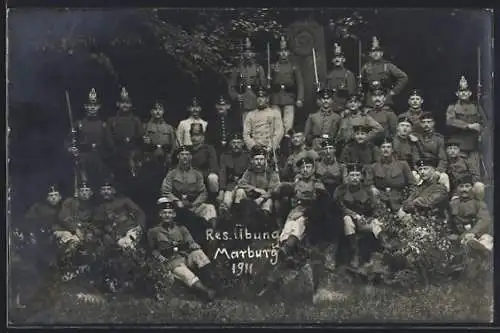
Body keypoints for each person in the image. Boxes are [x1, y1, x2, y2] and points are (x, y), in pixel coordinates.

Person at [148, 197, 218, 301]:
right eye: (164, 213)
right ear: (160, 215)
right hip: (171, 262)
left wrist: (194, 245)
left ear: (174, 215)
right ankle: (205, 292)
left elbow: (190, 241)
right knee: (185, 274)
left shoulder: (181, 228)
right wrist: (159, 257)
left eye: (170, 213)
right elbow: (152, 249)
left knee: (198, 253)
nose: (167, 215)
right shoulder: (153, 231)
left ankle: (213, 283)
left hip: (184, 257)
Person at [93, 180, 146, 292]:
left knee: (128, 247)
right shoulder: (98, 208)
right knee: (122, 249)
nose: (106, 192)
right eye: (104, 190)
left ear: (114, 190)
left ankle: (139, 280)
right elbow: (98, 225)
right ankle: (125, 281)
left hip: (131, 230)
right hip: (116, 236)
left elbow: (139, 213)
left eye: (109, 189)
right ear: (100, 192)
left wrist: (140, 226)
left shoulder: (124, 201)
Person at [334, 163, 385, 268]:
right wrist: (355, 215)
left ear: (361, 176)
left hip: (364, 221)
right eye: (352, 175)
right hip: (348, 223)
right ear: (347, 176)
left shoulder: (368, 190)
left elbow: (375, 207)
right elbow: (339, 207)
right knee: (347, 220)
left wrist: (371, 217)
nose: (355, 178)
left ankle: (385, 249)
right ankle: (354, 254)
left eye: (357, 175)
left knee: (377, 224)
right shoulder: (341, 190)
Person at [66, 88, 114, 189]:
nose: (92, 108)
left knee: (100, 185)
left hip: (99, 158)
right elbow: (68, 142)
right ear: (86, 107)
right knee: (84, 185)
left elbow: (110, 144)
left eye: (94, 106)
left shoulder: (103, 125)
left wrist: (105, 157)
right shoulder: (79, 124)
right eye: (90, 105)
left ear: (98, 107)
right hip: (83, 158)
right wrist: (71, 148)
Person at [161, 145, 217, 230]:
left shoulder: (197, 174)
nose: (185, 157)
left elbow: (203, 193)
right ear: (178, 156)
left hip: (193, 205)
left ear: (190, 157)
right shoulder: (171, 173)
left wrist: (195, 204)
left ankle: (212, 235)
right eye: (182, 154)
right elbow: (165, 191)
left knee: (210, 208)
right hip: (177, 207)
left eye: (187, 154)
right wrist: (176, 201)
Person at [139, 101, 177, 219]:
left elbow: (174, 145)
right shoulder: (145, 127)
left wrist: (170, 156)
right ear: (151, 112)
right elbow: (141, 145)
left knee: (164, 187)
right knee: (151, 187)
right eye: (155, 110)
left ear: (163, 111)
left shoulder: (169, 128)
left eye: (160, 110)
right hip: (150, 160)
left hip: (164, 161)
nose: (157, 112)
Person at [55, 182, 97, 281]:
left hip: (83, 232)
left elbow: (94, 221)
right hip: (65, 230)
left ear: (91, 193)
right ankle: (65, 271)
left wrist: (89, 231)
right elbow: (63, 217)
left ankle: (87, 273)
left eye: (87, 191)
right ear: (78, 192)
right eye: (82, 191)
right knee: (73, 243)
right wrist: (75, 229)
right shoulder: (69, 202)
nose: (84, 193)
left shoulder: (93, 205)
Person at [446, 75, 486, 179]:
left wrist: (481, 131)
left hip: (474, 144)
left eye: (466, 91)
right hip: (458, 145)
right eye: (461, 91)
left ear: (470, 93)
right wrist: (468, 126)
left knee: (475, 172)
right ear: (457, 94)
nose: (463, 93)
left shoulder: (476, 106)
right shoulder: (452, 107)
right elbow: (450, 121)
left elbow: (485, 123)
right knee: (459, 172)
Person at [366, 137, 417, 212]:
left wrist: (408, 201)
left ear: (392, 149)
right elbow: (368, 184)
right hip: (381, 200)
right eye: (383, 147)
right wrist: (372, 188)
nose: (386, 149)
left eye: (388, 147)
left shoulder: (403, 164)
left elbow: (413, 184)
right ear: (380, 149)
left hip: (400, 200)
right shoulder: (373, 167)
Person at [107, 87, 143, 193]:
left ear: (131, 105)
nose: (125, 105)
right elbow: (109, 138)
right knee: (118, 182)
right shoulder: (112, 120)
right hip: (117, 154)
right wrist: (115, 151)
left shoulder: (135, 120)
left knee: (134, 182)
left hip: (132, 154)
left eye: (127, 103)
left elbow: (140, 136)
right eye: (122, 103)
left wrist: (135, 153)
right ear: (118, 104)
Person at [269, 35, 305, 135]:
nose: (283, 53)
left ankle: (287, 143)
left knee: (288, 124)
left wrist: (300, 99)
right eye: (281, 51)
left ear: (289, 53)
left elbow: (300, 83)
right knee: (276, 124)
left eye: (285, 51)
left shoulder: (294, 66)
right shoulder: (273, 66)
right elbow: (268, 83)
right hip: (276, 98)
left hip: (289, 97)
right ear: (278, 53)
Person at [449, 174, 492, 254]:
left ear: (473, 188)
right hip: (460, 237)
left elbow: (484, 221)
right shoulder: (453, 204)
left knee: (485, 242)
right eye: (461, 186)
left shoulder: (479, 203)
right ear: (457, 189)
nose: (464, 189)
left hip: (478, 235)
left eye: (467, 186)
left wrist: (472, 233)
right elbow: (448, 221)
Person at [228, 37, 267, 126]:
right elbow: (231, 86)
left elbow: (263, 86)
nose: (248, 54)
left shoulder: (259, 68)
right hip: (244, 100)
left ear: (254, 54)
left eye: (250, 52)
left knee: (258, 125)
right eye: (246, 52)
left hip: (256, 100)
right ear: (243, 53)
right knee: (246, 126)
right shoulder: (237, 68)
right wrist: (236, 96)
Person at [397, 158, 449, 223]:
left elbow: (427, 203)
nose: (422, 172)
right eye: (420, 169)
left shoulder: (440, 188)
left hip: (435, 222)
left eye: (425, 169)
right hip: (419, 221)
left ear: (433, 171)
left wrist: (412, 203)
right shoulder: (420, 188)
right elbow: (407, 201)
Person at [361, 36, 408, 107]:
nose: (375, 53)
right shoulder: (365, 67)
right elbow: (360, 82)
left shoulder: (388, 66)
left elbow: (403, 77)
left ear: (382, 53)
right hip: (370, 100)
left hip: (385, 99)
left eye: (378, 51)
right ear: (370, 54)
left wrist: (394, 91)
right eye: (373, 51)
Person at [235, 145, 281, 218]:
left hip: (265, 198)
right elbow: (241, 183)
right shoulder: (250, 171)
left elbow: (273, 189)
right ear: (252, 160)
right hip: (252, 197)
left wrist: (262, 198)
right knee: (240, 191)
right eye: (256, 159)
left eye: (261, 159)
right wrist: (255, 189)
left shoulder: (271, 172)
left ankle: (264, 224)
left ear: (265, 160)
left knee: (268, 204)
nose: (259, 162)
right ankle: (239, 218)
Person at [243, 86, 284, 152]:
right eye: (258, 97)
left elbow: (279, 132)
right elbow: (246, 133)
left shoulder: (275, 113)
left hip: (270, 147)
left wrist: (270, 147)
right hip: (255, 148)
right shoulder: (250, 114)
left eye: (262, 97)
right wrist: (253, 145)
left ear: (267, 99)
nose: (260, 99)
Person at [218, 133, 250, 215]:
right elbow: (223, 173)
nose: (236, 145)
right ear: (230, 144)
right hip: (230, 186)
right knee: (226, 201)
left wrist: (242, 185)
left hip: (244, 187)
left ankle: (239, 220)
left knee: (240, 194)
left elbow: (250, 174)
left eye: (238, 142)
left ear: (243, 143)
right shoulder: (225, 156)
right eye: (234, 143)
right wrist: (221, 190)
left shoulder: (247, 156)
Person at [324, 42, 357, 111]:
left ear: (343, 59)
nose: (337, 59)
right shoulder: (329, 75)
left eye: (339, 57)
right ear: (332, 60)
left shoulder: (348, 74)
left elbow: (352, 94)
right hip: (331, 108)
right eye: (335, 57)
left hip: (344, 108)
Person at [189, 123, 220, 196]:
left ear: (202, 137)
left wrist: (201, 175)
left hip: (206, 177)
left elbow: (214, 168)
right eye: (192, 135)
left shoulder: (209, 149)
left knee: (213, 177)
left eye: (197, 135)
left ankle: (214, 198)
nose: (194, 138)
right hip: (190, 178)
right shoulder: (187, 150)